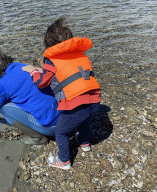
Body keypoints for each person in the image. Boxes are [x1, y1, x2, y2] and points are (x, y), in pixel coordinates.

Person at [22, 18, 101, 169]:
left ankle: (64, 160)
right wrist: (44, 71)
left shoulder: (52, 60)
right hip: (94, 102)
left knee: (61, 132)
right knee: (83, 120)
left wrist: (33, 71)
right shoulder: (80, 55)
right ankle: (84, 143)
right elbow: (75, 76)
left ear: (49, 44)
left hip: (75, 107)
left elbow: (41, 83)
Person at [0, 49, 60, 145]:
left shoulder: (1, 84)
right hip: (66, 116)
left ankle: (38, 138)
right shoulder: (21, 66)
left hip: (52, 128)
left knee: (4, 109)